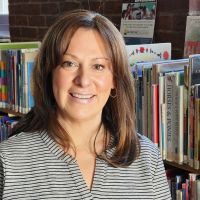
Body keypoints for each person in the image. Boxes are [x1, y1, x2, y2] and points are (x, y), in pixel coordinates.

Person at [0, 9, 171, 199]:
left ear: (115, 79)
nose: (83, 80)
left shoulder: (147, 157)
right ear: (49, 72)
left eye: (98, 66)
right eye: (69, 64)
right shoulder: (8, 161)